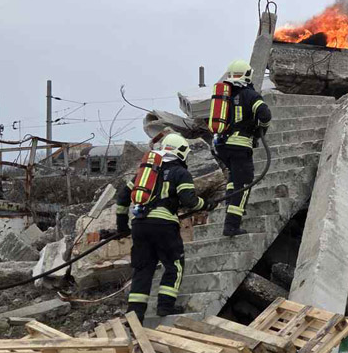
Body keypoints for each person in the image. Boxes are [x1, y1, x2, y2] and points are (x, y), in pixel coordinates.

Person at [116, 133, 214, 321]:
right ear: (182, 152)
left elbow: (122, 197)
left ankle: (134, 317)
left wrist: (122, 226)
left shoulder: (145, 172)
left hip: (139, 225)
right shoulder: (180, 172)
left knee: (142, 270)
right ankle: (165, 308)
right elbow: (189, 201)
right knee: (174, 264)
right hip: (164, 226)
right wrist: (206, 204)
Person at [213, 59, 271, 237]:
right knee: (243, 183)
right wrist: (261, 128)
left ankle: (229, 205)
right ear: (248, 75)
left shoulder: (225, 95)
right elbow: (265, 114)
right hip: (240, 146)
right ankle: (231, 224)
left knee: (233, 179)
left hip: (222, 146)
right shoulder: (250, 95)